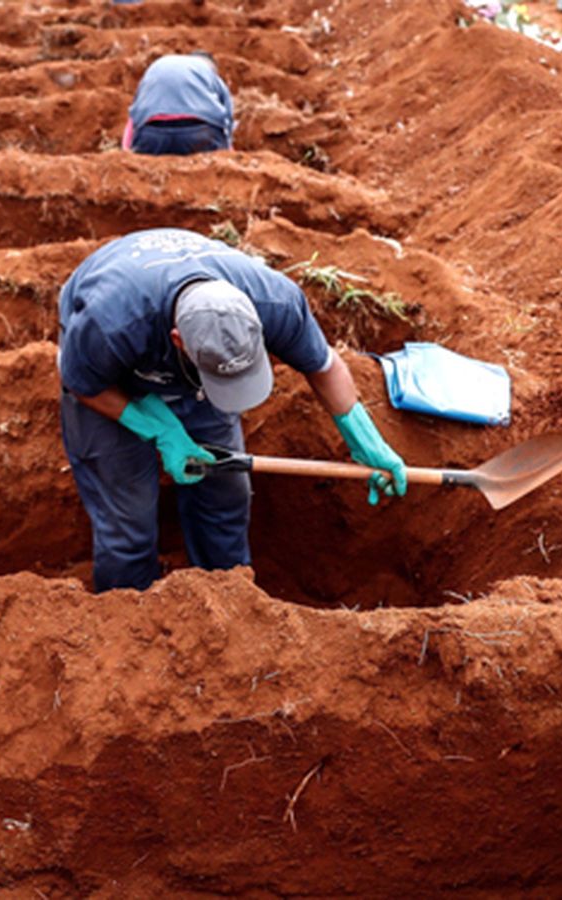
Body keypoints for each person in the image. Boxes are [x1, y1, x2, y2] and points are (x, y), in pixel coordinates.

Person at [58, 228, 407, 592]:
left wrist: (365, 440)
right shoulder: (109, 324)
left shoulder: (275, 301)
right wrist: (160, 429)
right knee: (129, 519)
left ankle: (228, 596)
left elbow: (324, 366)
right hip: (110, 371)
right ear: (179, 340)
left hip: (178, 347)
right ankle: (128, 615)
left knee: (225, 494)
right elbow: (83, 385)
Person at [123, 53, 234, 156]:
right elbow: (227, 115)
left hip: (152, 135)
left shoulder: (158, 67)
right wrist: (227, 151)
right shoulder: (207, 71)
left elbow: (134, 114)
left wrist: (127, 151)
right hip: (200, 134)